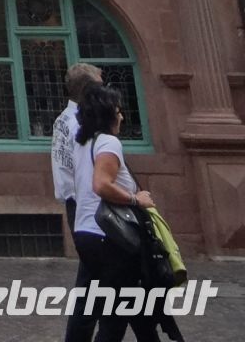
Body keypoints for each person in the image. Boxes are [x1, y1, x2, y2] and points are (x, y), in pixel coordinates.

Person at [72, 83, 168, 342]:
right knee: (116, 316)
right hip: (112, 237)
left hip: (86, 232)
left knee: (130, 306)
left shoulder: (83, 144)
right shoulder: (108, 142)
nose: (122, 117)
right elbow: (101, 185)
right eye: (118, 111)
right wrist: (136, 199)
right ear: (107, 115)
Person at [53, 62, 103, 342]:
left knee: (95, 283)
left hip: (78, 206)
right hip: (90, 207)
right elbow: (89, 174)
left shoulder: (63, 119)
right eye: (100, 85)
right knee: (93, 285)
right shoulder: (80, 125)